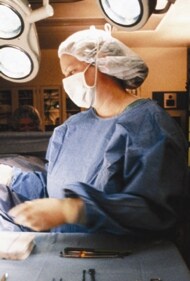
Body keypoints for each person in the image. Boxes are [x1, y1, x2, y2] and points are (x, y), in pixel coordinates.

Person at [0, 24, 188, 237]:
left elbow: (156, 210)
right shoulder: (70, 129)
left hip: (125, 261)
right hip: (68, 253)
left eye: (72, 71)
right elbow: (55, 189)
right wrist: (10, 177)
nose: (67, 81)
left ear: (102, 60)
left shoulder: (149, 124)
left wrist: (75, 210)